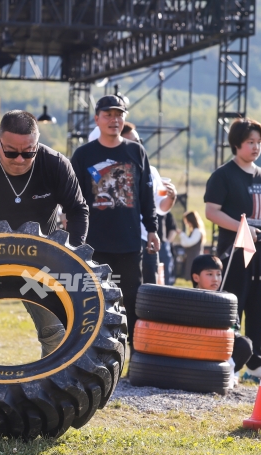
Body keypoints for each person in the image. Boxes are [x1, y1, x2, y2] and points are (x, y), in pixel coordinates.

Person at [0, 110, 89, 358]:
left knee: (55, 330)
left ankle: (50, 386)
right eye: (10, 152)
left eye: (29, 152)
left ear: (37, 142)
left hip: (39, 266)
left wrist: (70, 256)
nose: (19, 159)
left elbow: (77, 210)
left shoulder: (56, 165)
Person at [70, 95, 159, 348]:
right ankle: (93, 352)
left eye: (119, 114)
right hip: (93, 243)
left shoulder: (136, 152)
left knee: (131, 300)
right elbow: (73, 199)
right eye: (107, 115)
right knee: (93, 300)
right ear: (97, 119)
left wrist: (152, 230)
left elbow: (146, 197)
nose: (114, 120)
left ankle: (135, 355)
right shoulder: (84, 155)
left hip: (130, 243)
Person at [204, 118, 261, 380]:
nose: (256, 147)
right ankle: (231, 356)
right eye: (250, 142)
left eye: (260, 142)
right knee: (235, 302)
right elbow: (211, 212)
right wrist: (241, 228)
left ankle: (256, 361)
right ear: (237, 144)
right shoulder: (223, 175)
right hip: (236, 250)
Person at [120, 122, 176, 284]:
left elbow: (160, 207)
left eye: (138, 142)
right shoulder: (110, 171)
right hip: (119, 240)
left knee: (148, 290)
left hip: (147, 239)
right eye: (130, 143)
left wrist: (171, 198)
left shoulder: (151, 171)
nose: (136, 147)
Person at [190, 254, 253, 376]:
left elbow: (235, 328)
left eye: (218, 274)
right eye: (209, 274)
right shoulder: (188, 298)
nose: (215, 279)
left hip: (220, 344)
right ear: (196, 277)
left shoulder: (228, 299)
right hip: (196, 345)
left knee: (245, 344)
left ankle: (226, 374)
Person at [177, 210, 206, 279]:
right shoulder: (195, 231)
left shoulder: (197, 231)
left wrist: (182, 234)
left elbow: (188, 243)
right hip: (191, 256)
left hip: (194, 257)